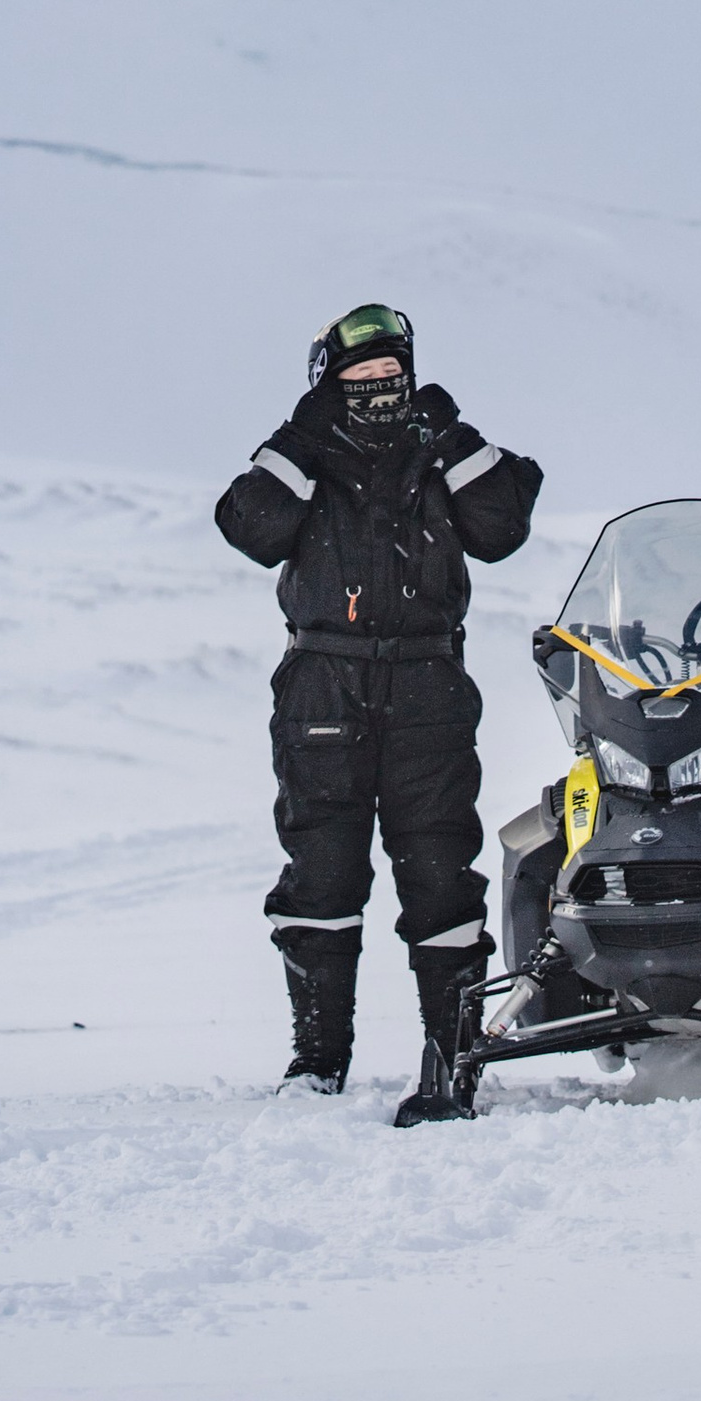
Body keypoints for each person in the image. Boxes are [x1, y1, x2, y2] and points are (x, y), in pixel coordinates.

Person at [215, 301, 542, 1124]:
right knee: (321, 873)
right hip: (323, 682)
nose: (378, 392)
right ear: (330, 381)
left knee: (438, 875)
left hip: (428, 685)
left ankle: (455, 1057)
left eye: (391, 378)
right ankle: (317, 1062)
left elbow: (502, 529)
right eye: (359, 379)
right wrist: (301, 435)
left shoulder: (445, 448)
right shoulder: (303, 454)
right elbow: (251, 528)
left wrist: (453, 435)